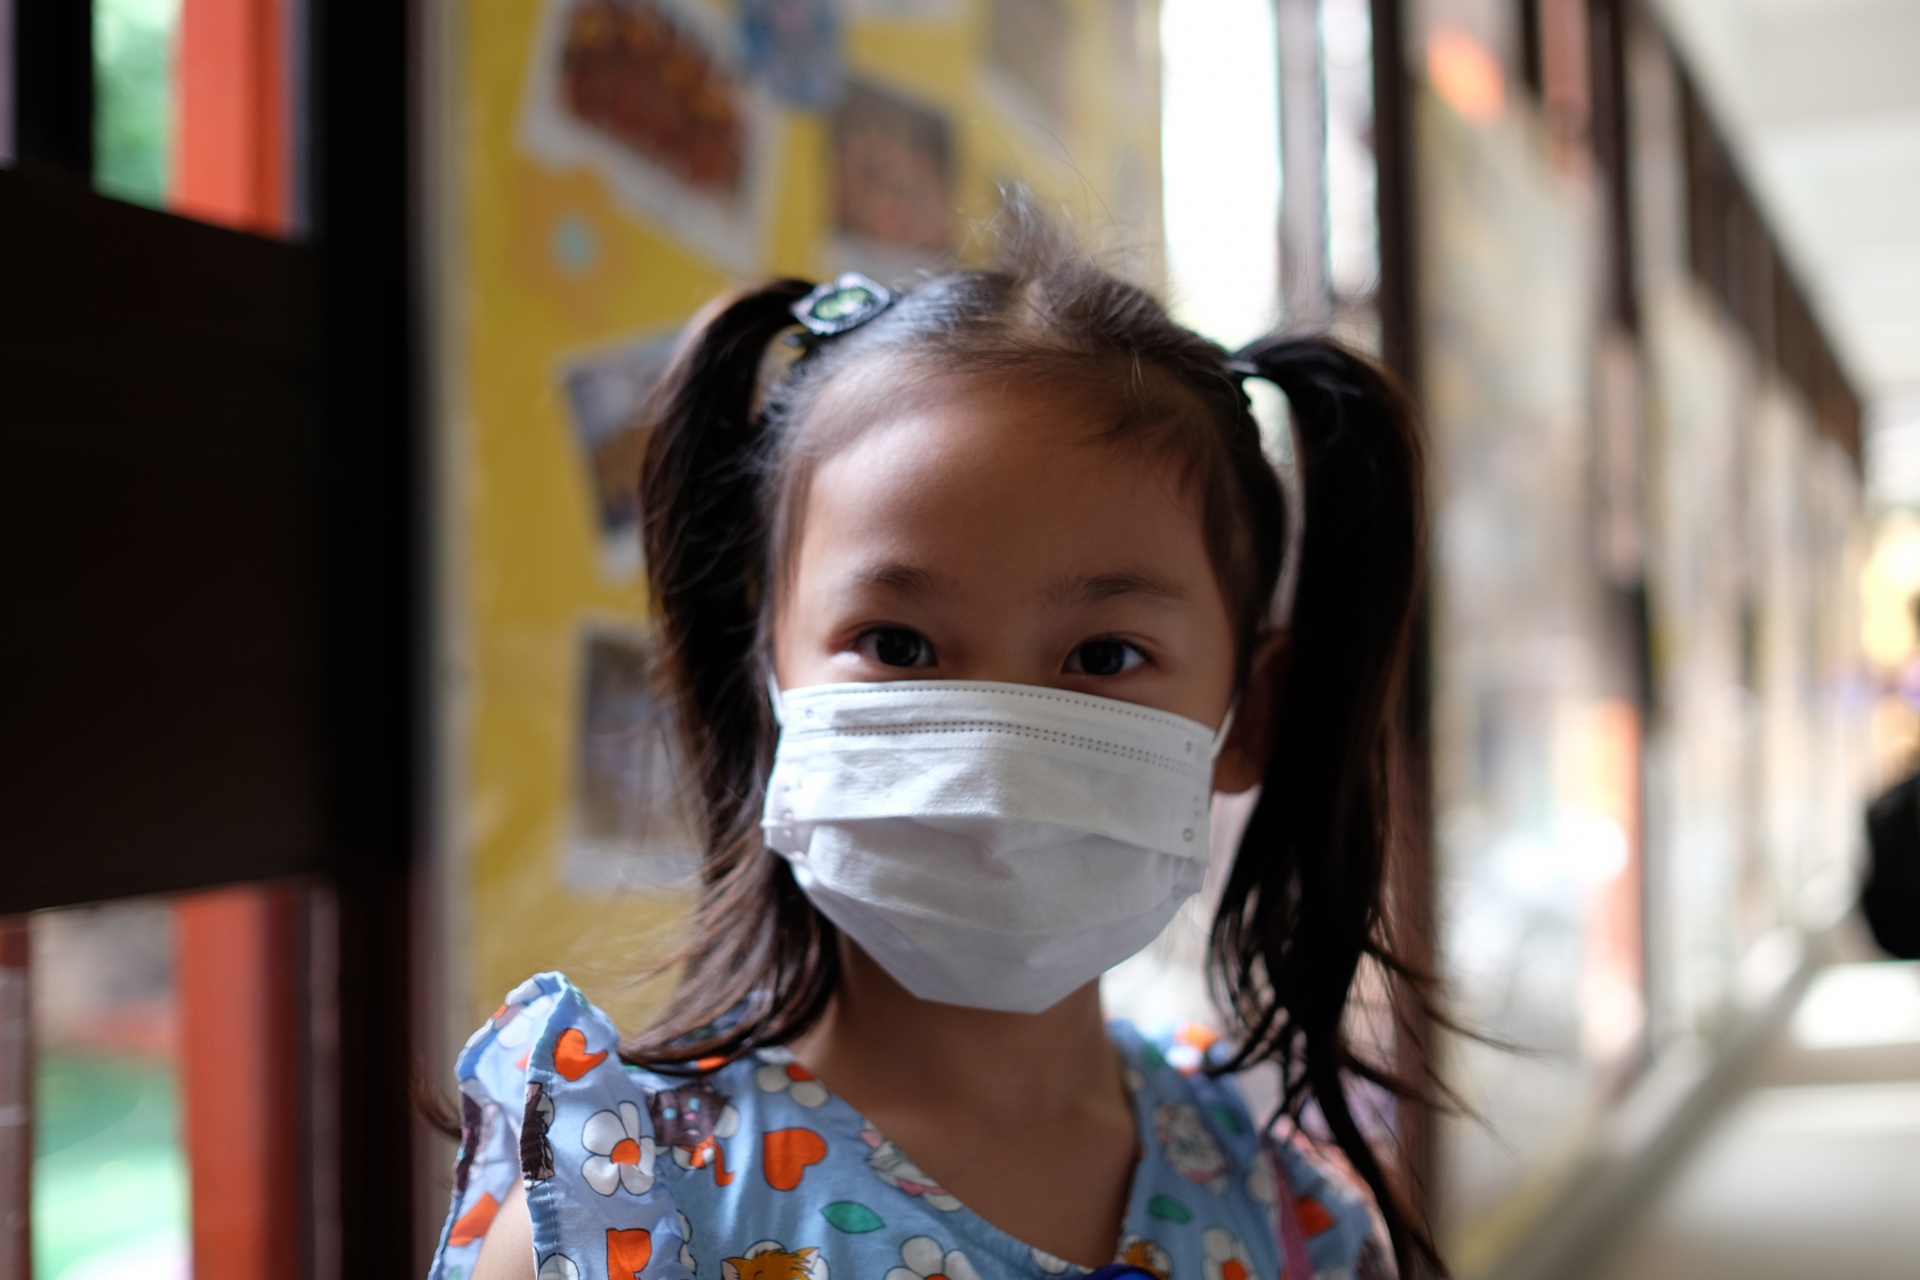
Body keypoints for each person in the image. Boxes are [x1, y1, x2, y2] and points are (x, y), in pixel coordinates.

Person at [432, 206, 1440, 1280]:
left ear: (1255, 712)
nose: (992, 760)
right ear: (768, 677)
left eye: (1103, 656)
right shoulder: (619, 1219)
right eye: (898, 644)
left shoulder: (1295, 1222)